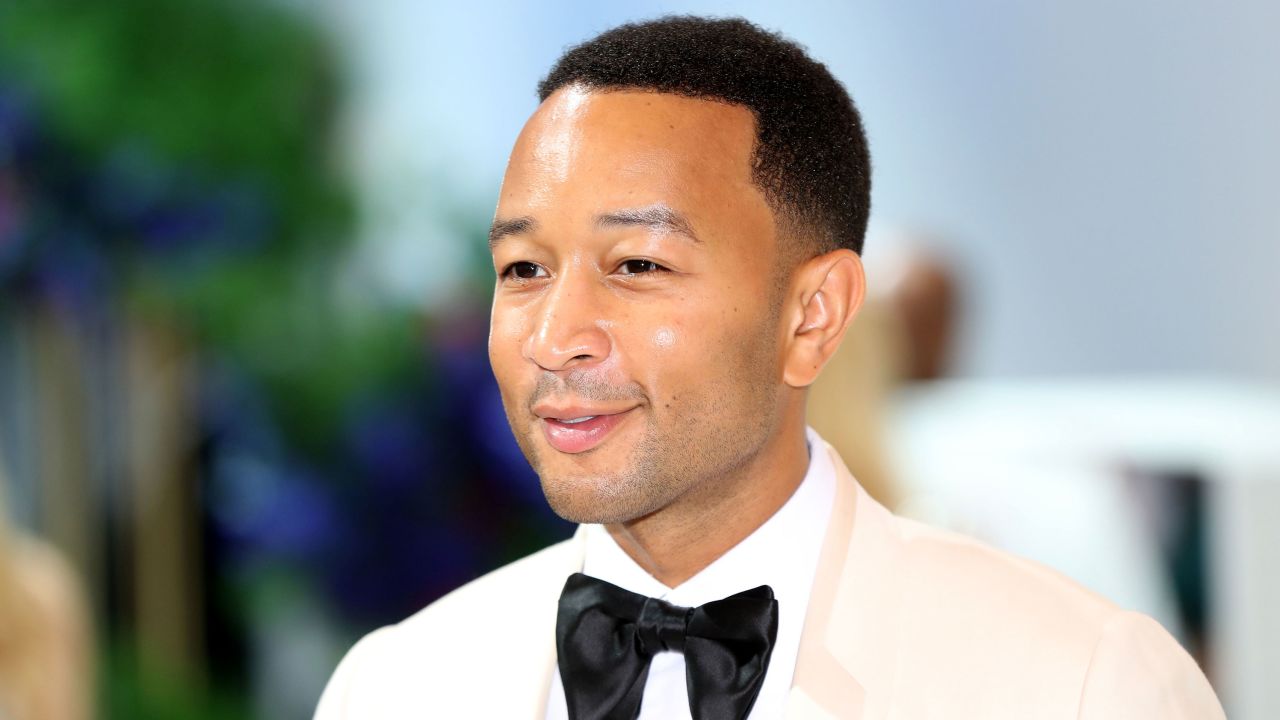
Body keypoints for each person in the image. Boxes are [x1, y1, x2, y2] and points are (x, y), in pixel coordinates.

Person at [315, 16, 1223, 719]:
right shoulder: (398, 685)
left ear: (812, 316)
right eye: (523, 270)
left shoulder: (1080, 685)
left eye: (637, 266)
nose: (555, 336)